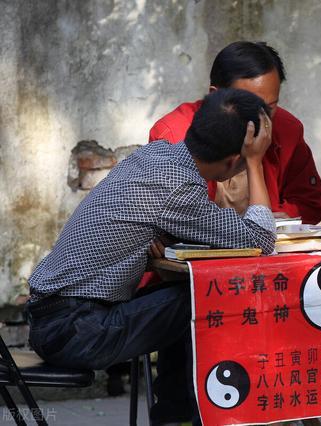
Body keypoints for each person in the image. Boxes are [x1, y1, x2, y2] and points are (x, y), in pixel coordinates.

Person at [26, 88, 276, 426]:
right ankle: (188, 417)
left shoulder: (156, 155)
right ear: (234, 161)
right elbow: (260, 240)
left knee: (190, 297)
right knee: (212, 297)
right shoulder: (177, 189)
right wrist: (256, 163)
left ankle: (175, 417)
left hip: (54, 320)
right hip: (75, 331)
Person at [150, 40, 321, 223]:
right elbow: (167, 214)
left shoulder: (287, 129)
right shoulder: (173, 135)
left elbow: (311, 204)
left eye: (270, 107)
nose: (262, 118)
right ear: (215, 95)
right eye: (250, 105)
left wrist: (286, 217)